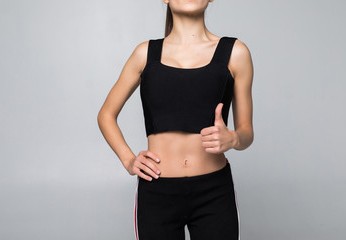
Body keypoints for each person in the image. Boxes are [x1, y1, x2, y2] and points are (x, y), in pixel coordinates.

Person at [97, 0, 254, 239]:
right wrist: (129, 160)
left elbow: (246, 133)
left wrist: (233, 138)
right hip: (157, 191)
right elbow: (106, 114)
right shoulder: (145, 54)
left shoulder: (236, 53)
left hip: (214, 192)